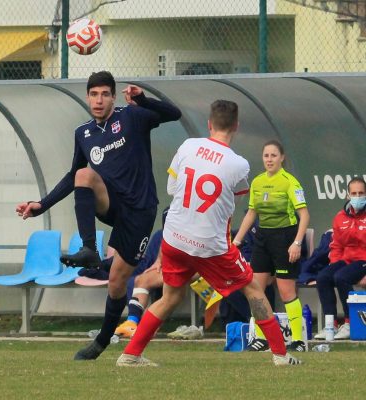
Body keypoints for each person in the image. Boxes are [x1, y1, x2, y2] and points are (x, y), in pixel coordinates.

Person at [117, 100, 301, 367]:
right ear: (236, 126)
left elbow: (172, 188)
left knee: (170, 297)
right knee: (252, 289)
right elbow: (234, 199)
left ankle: (130, 354)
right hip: (210, 245)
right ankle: (281, 355)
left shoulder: (188, 146)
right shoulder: (239, 165)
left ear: (209, 124)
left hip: (174, 238)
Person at [16, 71, 181, 360]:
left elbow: (173, 113)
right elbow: (73, 177)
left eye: (105, 94)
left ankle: (102, 341)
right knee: (83, 174)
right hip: (111, 204)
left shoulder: (132, 116)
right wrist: (41, 204)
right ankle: (89, 249)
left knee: (118, 281)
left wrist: (143, 99)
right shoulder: (84, 133)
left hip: (140, 210)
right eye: (94, 94)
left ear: (113, 97)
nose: (99, 100)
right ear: (87, 97)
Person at [232, 140, 310, 352]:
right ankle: (259, 337)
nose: (269, 160)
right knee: (256, 288)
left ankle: (298, 340)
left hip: (285, 238)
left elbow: (304, 215)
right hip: (262, 239)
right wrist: (236, 241)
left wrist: (296, 243)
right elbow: (251, 213)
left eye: (273, 156)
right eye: (266, 156)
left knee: (286, 291)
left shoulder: (289, 182)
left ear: (282, 158)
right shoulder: (256, 182)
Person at [314, 177, 366, 340]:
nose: (357, 197)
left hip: (363, 261)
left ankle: (349, 323)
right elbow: (336, 246)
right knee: (323, 277)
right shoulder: (340, 217)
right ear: (347, 196)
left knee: (341, 277)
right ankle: (331, 325)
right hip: (347, 260)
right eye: (354, 193)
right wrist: (333, 266)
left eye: (361, 193)